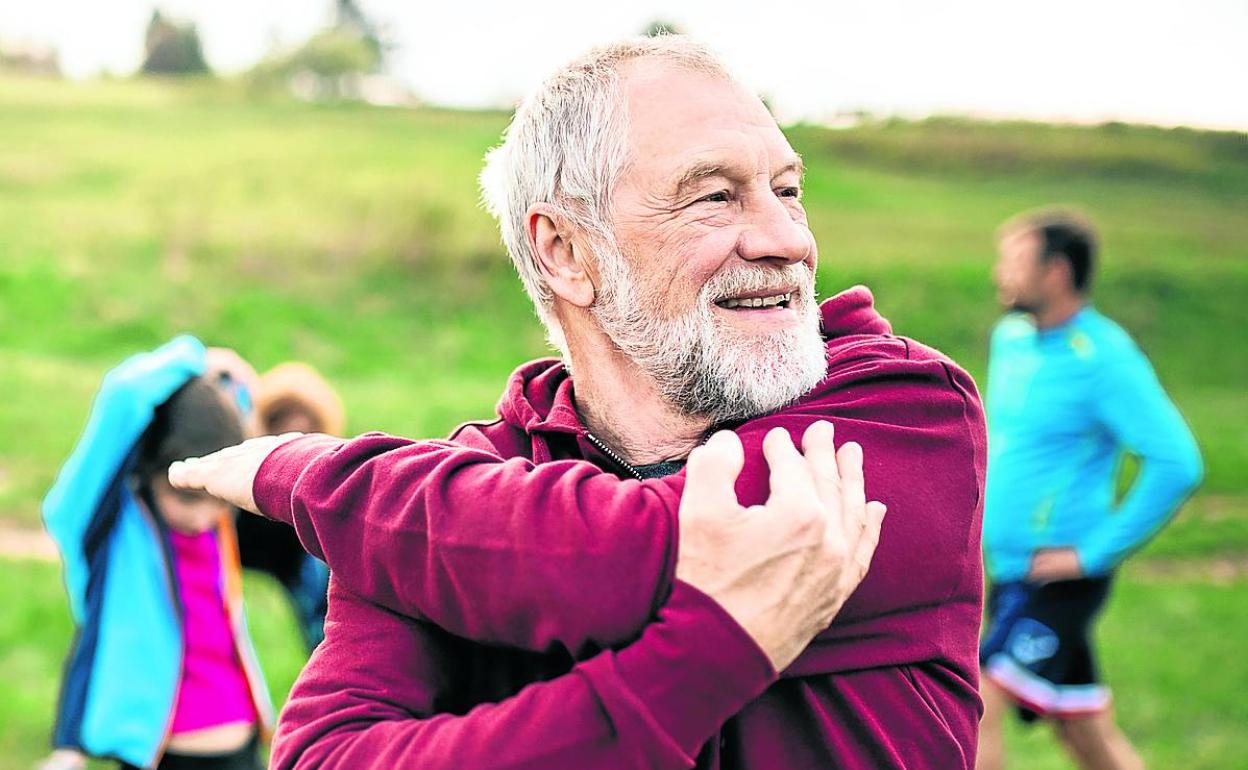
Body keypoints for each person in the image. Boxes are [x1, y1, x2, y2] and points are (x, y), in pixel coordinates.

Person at [171, 36, 987, 769]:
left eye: (788, 189)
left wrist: (318, 478)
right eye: (715, 196)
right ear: (565, 252)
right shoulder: (450, 490)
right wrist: (707, 654)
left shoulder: (904, 410)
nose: (787, 239)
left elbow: (627, 556)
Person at [977, 208, 1203, 770]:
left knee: (977, 701)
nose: (1000, 273)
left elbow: (1176, 462)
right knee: (1083, 730)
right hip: (1009, 570)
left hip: (1058, 577)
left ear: (1055, 272)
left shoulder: (1103, 358)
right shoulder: (1012, 340)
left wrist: (1093, 554)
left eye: (1014, 261)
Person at [40, 337, 274, 770]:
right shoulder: (110, 527)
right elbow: (125, 393)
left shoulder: (216, 525)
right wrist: (197, 357)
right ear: (146, 471)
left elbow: (234, 418)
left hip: (242, 745)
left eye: (217, 501)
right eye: (184, 497)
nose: (203, 517)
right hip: (162, 753)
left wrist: (229, 384)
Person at [234, 362, 344, 649]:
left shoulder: (321, 494)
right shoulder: (235, 481)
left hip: (294, 555)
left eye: (305, 436)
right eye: (280, 431)